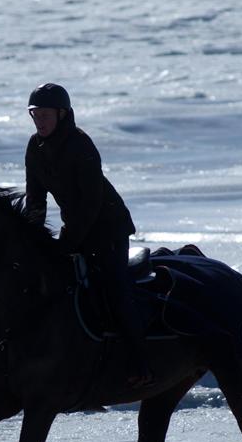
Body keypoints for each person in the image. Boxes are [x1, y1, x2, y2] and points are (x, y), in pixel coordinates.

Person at [23, 82, 153, 387]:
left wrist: (68, 240)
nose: (39, 120)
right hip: (78, 229)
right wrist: (33, 238)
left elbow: (91, 202)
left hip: (109, 229)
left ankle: (141, 361)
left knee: (115, 289)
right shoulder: (34, 147)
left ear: (62, 114)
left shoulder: (81, 145)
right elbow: (35, 199)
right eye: (35, 115)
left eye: (44, 114)